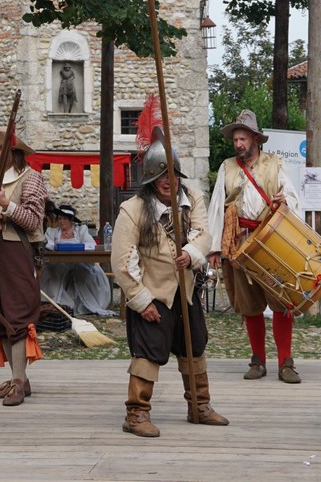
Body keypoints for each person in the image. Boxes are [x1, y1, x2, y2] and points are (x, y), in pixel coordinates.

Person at [112, 129, 229, 437]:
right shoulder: (133, 210)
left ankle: (199, 406)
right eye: (163, 175)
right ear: (151, 179)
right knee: (148, 353)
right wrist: (141, 301)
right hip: (154, 293)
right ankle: (136, 414)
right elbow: (122, 263)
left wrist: (190, 253)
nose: (170, 180)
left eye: (174, 173)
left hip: (187, 291)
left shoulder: (192, 198)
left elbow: (204, 235)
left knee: (195, 348)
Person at [207, 109, 302, 383]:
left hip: (269, 242)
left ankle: (286, 363)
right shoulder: (227, 168)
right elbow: (216, 207)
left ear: (255, 139)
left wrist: (286, 201)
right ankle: (258, 361)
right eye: (236, 139)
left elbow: (292, 199)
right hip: (238, 243)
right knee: (250, 305)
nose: (239, 144)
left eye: (243, 139)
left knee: (282, 301)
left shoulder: (275, 164)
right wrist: (215, 248)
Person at [0, 127, 48, 406]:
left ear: (16, 152)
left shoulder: (32, 180)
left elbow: (33, 221)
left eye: (3, 149)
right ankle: (19, 379)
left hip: (19, 253)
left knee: (17, 317)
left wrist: (6, 204)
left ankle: (18, 381)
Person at [42, 204, 115, 316]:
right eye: (60, 219)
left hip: (79, 264)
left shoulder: (81, 230)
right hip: (59, 265)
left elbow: (90, 244)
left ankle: (87, 305)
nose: (61, 222)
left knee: (84, 271)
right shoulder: (52, 232)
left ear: (71, 220)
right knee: (52, 271)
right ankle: (56, 305)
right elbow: (46, 243)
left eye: (64, 219)